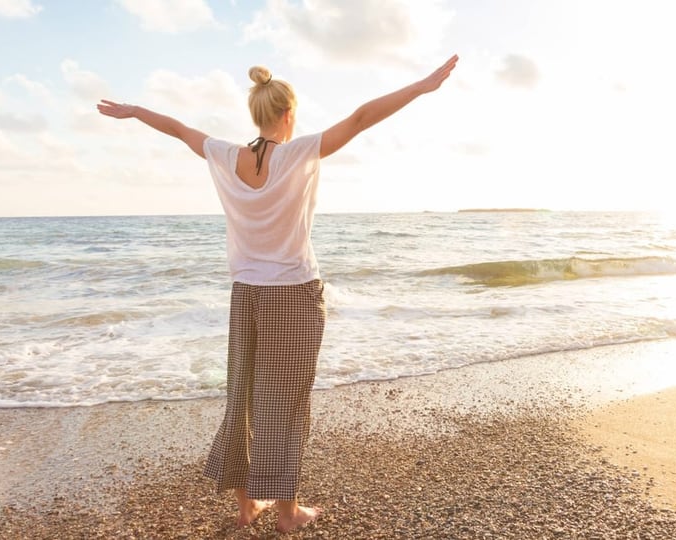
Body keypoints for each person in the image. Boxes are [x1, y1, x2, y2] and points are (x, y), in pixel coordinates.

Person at [97, 54, 458, 533]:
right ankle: (288, 513)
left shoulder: (225, 155)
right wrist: (420, 86)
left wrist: (135, 111)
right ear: (288, 115)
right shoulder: (300, 152)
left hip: (246, 294)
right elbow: (361, 118)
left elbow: (179, 128)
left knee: (241, 400)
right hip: (293, 295)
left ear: (256, 115)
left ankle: (247, 506)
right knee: (285, 407)